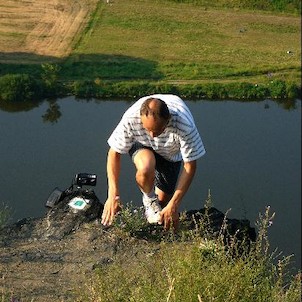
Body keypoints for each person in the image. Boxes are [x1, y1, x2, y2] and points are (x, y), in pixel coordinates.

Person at [101, 94, 206, 230]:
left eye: (157, 130)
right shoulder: (131, 118)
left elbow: (190, 166)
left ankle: (154, 213)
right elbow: (114, 153)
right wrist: (112, 195)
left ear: (167, 120)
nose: (152, 135)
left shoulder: (184, 125)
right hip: (142, 145)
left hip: (171, 152)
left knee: (162, 205)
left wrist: (174, 204)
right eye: (147, 129)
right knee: (145, 167)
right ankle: (149, 200)